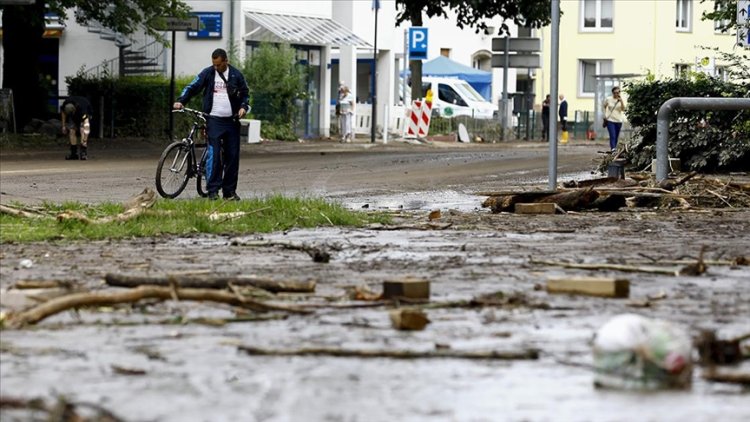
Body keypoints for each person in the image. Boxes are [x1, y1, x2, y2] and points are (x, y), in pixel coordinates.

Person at [173, 48, 249, 201]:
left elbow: (245, 94)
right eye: (214, 64)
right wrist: (181, 101)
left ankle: (229, 192)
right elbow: (192, 87)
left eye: (219, 65)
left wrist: (243, 107)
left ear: (226, 61)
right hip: (214, 120)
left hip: (232, 121)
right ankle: (213, 191)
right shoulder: (208, 73)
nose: (216, 68)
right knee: (214, 155)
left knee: (232, 157)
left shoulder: (237, 75)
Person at [61, 96, 93, 160]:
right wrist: (63, 126)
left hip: (85, 113)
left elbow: (86, 126)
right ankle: (73, 153)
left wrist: (84, 141)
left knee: (82, 130)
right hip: (74, 113)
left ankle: (83, 152)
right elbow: (63, 113)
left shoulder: (83, 110)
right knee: (72, 130)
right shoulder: (65, 104)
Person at [603, 86, 626, 153]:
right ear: (612, 93)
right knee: (612, 135)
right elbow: (604, 106)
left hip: (618, 121)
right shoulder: (608, 99)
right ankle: (613, 148)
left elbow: (623, 109)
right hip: (610, 120)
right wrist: (605, 114)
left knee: (616, 136)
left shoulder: (620, 100)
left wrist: (621, 101)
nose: (617, 94)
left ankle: (614, 148)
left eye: (618, 92)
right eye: (615, 92)